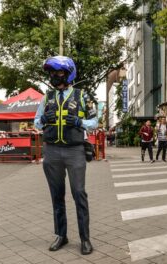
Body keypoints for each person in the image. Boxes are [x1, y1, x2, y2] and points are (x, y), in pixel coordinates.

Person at [34, 56, 98, 255]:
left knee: (79, 194)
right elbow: (36, 122)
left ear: (69, 74)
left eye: (58, 72)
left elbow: (94, 122)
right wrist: (44, 118)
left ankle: (85, 239)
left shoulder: (81, 96)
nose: (53, 76)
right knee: (57, 196)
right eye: (51, 73)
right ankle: (61, 235)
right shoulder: (47, 97)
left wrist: (80, 123)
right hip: (52, 151)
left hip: (75, 151)